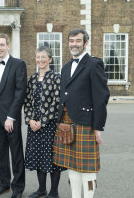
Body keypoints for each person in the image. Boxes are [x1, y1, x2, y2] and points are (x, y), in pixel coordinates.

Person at [53, 29, 110, 198]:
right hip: (66, 121)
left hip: (85, 122)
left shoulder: (93, 64)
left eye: (78, 41)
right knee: (71, 166)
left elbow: (101, 97)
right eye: (71, 41)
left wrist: (98, 126)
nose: (74, 44)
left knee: (87, 168)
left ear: (85, 43)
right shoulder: (66, 67)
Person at [24, 46, 65, 198]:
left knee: (53, 159)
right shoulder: (33, 78)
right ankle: (41, 189)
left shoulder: (56, 78)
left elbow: (57, 102)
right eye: (38, 57)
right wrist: (30, 120)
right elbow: (27, 101)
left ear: (50, 59)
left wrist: (42, 121)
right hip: (34, 126)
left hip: (50, 125)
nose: (40, 60)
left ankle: (54, 192)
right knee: (38, 158)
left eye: (43, 57)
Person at [0, 33, 27, 198]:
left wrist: (11, 117)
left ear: (8, 46)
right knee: (1, 152)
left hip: (11, 118)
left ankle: (18, 187)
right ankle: (4, 183)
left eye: (1, 45)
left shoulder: (19, 64)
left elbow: (20, 93)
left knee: (16, 153)